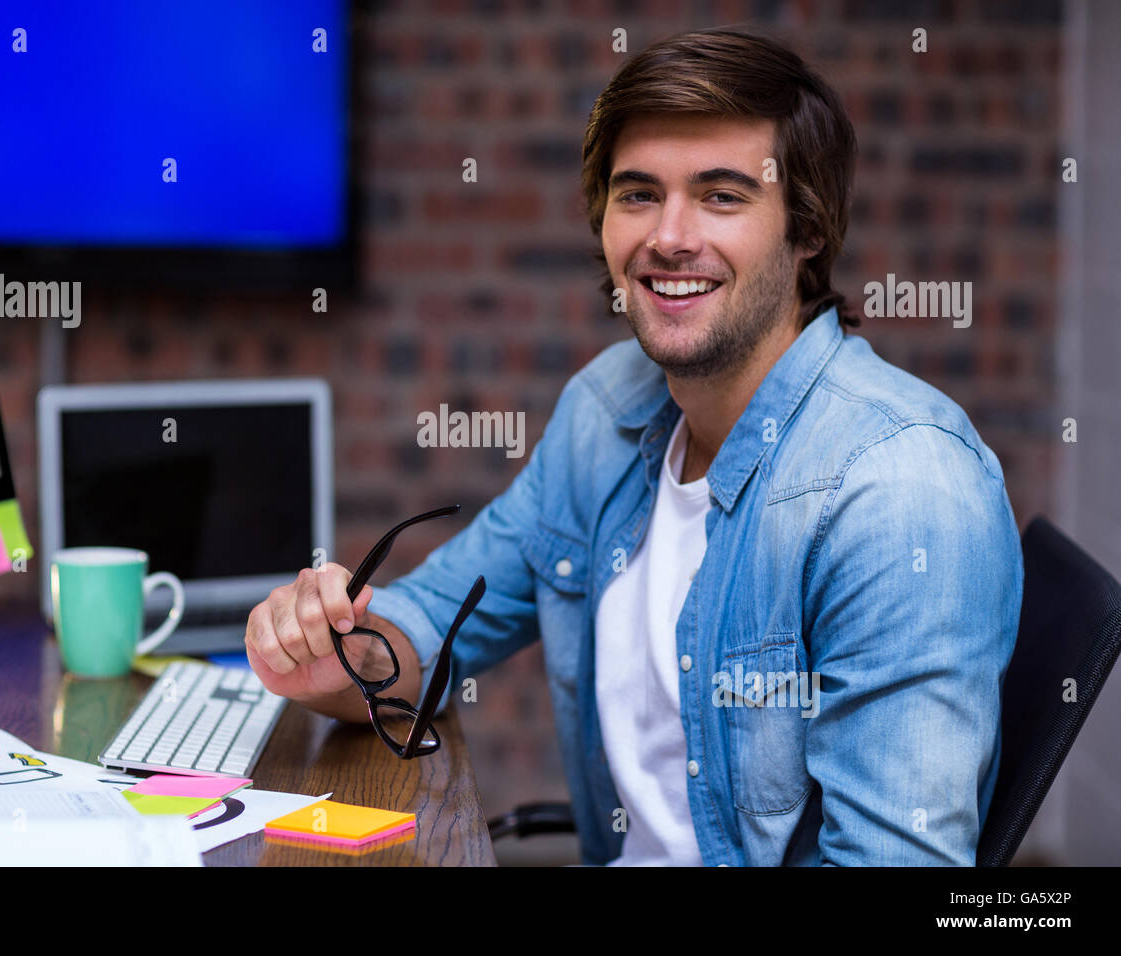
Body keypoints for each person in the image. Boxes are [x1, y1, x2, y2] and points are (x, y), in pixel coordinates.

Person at [244, 26, 1023, 866]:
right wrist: (335, 651)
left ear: (806, 233)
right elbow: (435, 622)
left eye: (722, 196)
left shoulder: (900, 487)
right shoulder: (606, 414)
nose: (669, 237)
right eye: (639, 193)